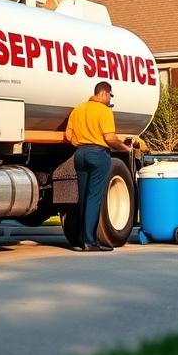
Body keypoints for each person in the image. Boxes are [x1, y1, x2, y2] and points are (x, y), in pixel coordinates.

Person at [65, 81, 132, 251]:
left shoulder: (78, 109)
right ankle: (90, 241)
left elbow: (68, 135)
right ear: (103, 93)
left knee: (82, 197)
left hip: (80, 154)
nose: (110, 99)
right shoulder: (104, 111)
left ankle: (80, 239)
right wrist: (124, 147)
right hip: (98, 154)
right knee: (94, 197)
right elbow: (109, 138)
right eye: (110, 95)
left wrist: (81, 144)